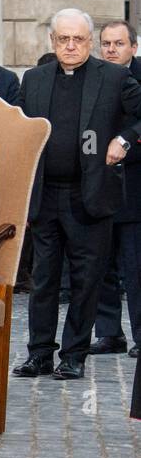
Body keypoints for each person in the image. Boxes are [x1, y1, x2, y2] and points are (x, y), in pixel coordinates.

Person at [15, 8, 141, 380]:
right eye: (63, 39)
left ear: (90, 41)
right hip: (45, 195)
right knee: (43, 280)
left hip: (91, 195)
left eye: (79, 39)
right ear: (52, 42)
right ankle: (39, 353)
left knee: (86, 280)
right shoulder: (34, 79)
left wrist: (124, 139)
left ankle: (73, 354)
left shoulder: (115, 78)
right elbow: (21, 129)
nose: (70, 46)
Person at [93, 20, 141, 358]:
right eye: (106, 44)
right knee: (100, 265)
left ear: (133, 47)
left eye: (118, 44)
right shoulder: (94, 75)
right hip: (97, 186)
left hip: (136, 186)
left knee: (136, 267)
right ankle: (109, 333)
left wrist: (126, 140)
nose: (111, 50)